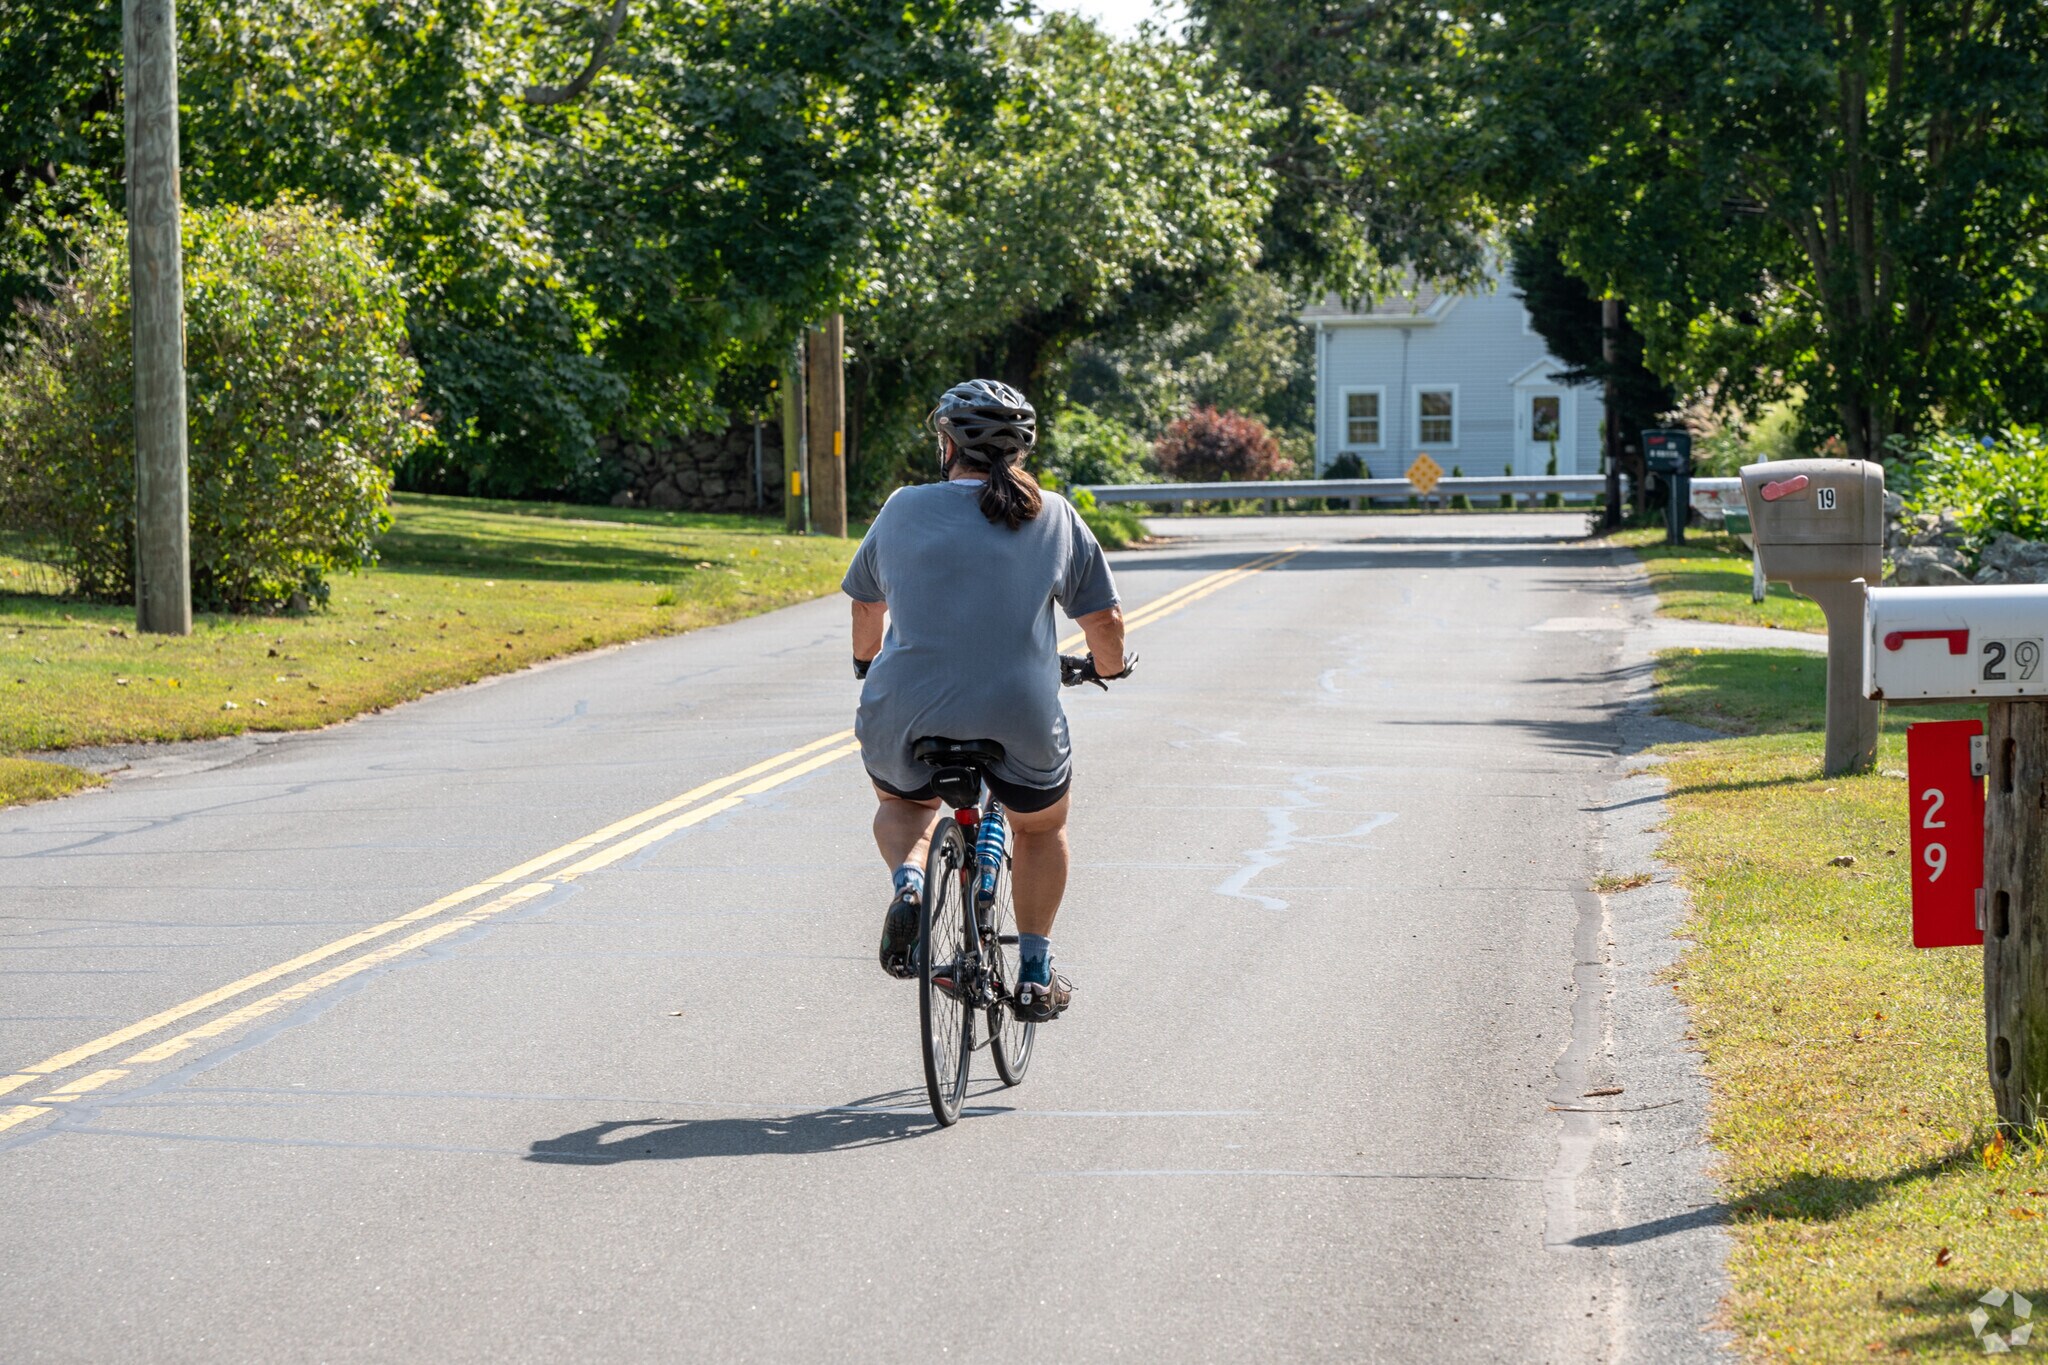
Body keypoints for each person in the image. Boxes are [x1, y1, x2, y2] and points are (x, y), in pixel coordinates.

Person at [841, 379, 1133, 1021]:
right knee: (1042, 826)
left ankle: (910, 884)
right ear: (1022, 448)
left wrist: (868, 664)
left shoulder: (901, 507)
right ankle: (1033, 971)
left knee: (902, 803)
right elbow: (1104, 622)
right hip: (1018, 713)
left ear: (947, 444)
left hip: (906, 708)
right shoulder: (1054, 514)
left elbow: (867, 603)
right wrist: (1110, 668)